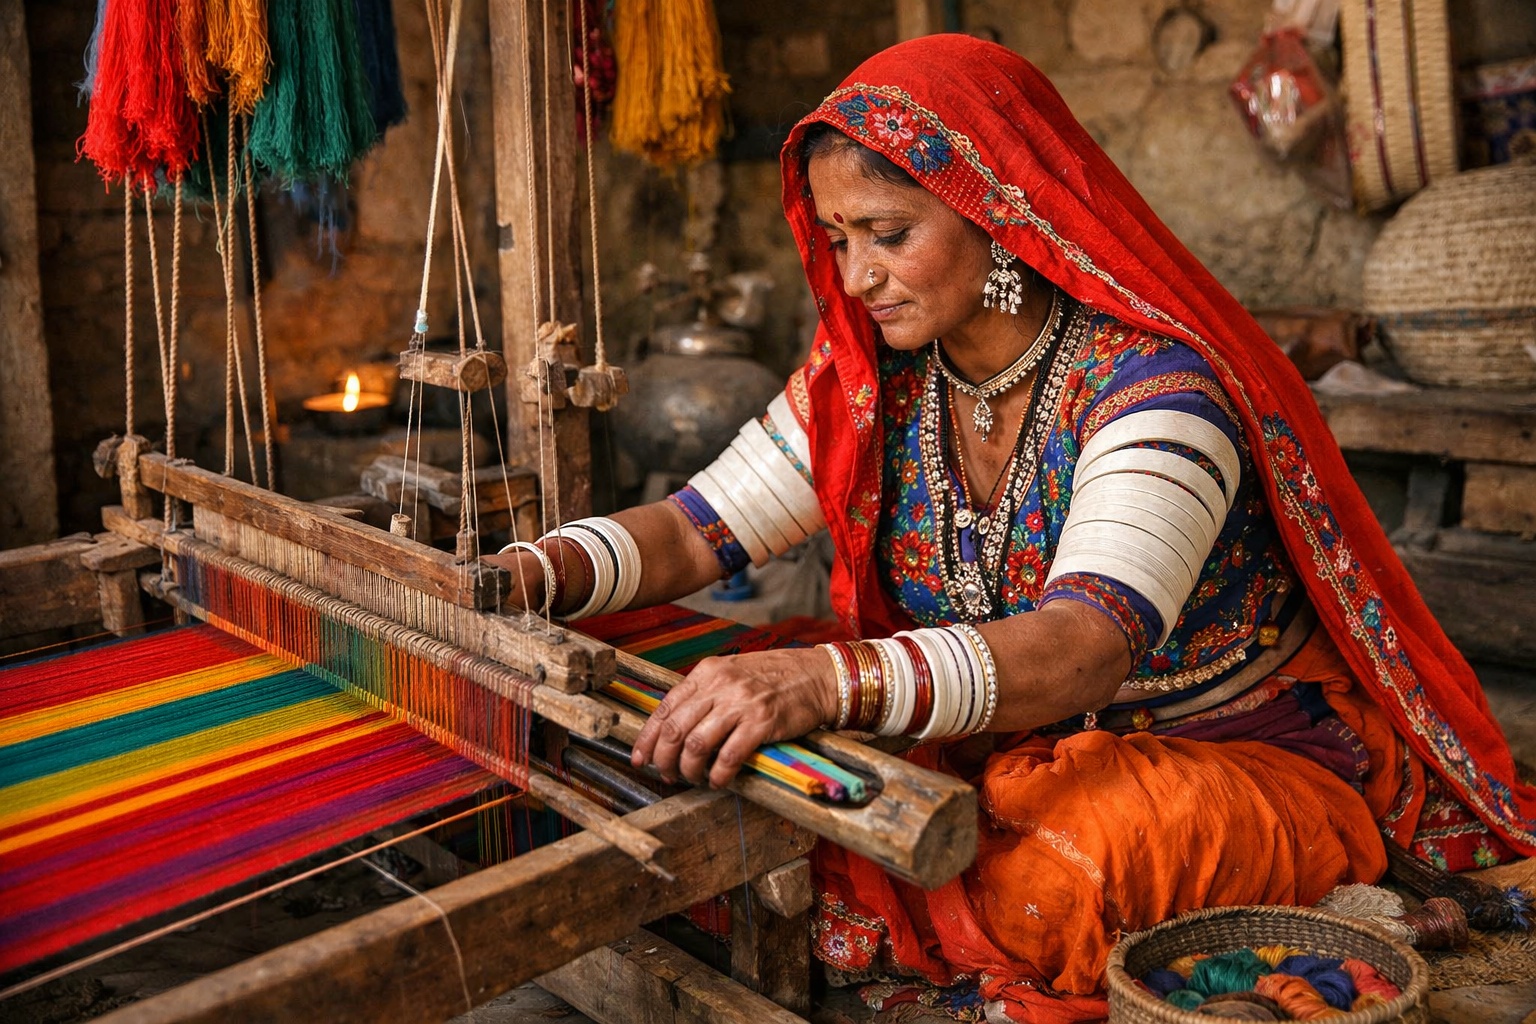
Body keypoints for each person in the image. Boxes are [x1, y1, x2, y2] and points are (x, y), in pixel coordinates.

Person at [487, 35, 1536, 1023]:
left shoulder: (1153, 391)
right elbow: (691, 531)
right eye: (840, 237)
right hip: (1001, 740)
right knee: (671, 698)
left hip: (1215, 758)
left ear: (999, 216)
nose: (856, 277)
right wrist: (526, 576)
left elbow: (1085, 646)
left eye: (889, 236)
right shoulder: (877, 381)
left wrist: (826, 684)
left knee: (1063, 866)